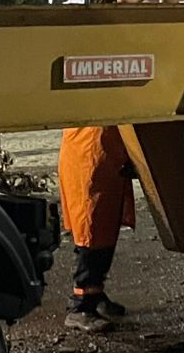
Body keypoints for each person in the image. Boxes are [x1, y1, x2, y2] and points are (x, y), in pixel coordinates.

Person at [57, 126, 135, 332]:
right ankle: (80, 305)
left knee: (103, 229)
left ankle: (95, 293)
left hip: (102, 157)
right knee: (90, 233)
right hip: (90, 160)